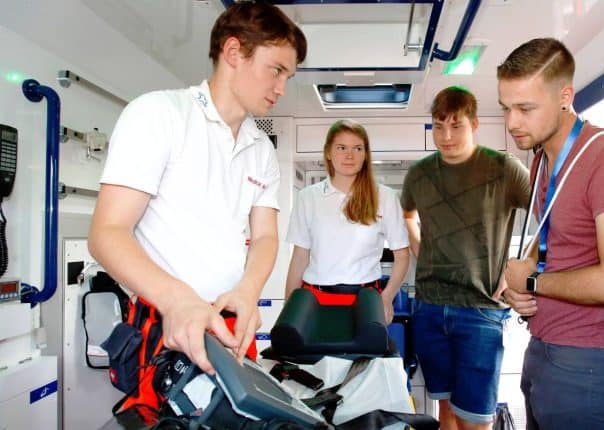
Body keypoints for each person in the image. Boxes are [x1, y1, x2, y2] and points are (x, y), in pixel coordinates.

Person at [88, 2, 307, 377]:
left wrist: (248, 292)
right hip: (167, 321)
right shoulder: (160, 114)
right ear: (234, 52)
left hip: (232, 325)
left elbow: (266, 236)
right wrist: (178, 301)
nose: (282, 89)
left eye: (288, 76)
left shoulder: (261, 149)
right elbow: (107, 233)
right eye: (276, 71)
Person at [497, 38, 604, 430]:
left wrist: (533, 280)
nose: (512, 122)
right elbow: (554, 241)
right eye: (506, 108)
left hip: (591, 363)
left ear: (565, 96)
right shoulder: (540, 164)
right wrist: (519, 281)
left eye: (525, 108)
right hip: (544, 352)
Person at [400, 86, 530, 430]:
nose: (445, 136)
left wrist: (519, 268)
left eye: (455, 126)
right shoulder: (420, 173)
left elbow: (553, 218)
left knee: (476, 420)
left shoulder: (504, 168)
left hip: (481, 310)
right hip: (429, 307)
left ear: (474, 124)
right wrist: (419, 246)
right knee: (446, 413)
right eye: (438, 126)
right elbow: (407, 215)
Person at [285, 120, 410, 323]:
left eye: (357, 148)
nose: (349, 155)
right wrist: (289, 309)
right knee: (312, 355)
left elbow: (402, 256)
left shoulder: (385, 197)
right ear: (328, 152)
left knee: (364, 356)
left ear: (365, 154)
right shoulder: (308, 197)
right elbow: (299, 258)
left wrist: (386, 298)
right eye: (342, 148)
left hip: (365, 301)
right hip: (315, 299)